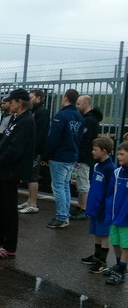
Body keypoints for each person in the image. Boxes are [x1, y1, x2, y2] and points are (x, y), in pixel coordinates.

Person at [0, 88, 36, 259]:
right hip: (4, 172)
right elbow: (4, 140)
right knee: (0, 208)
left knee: (8, 211)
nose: (9, 104)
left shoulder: (26, 121)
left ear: (20, 102)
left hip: (11, 172)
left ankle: (10, 247)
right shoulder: (15, 119)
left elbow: (14, 151)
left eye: (11, 101)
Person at [46, 89, 84, 228]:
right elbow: (80, 137)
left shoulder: (61, 115)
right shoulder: (79, 116)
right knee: (65, 186)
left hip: (60, 156)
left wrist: (49, 153)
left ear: (65, 98)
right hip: (72, 155)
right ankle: (64, 215)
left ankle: (61, 216)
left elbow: (54, 137)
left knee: (59, 187)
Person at [78, 137, 115, 273]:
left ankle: (103, 262)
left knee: (104, 235)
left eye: (95, 150)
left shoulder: (110, 169)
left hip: (104, 209)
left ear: (104, 151)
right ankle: (96, 256)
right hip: (95, 206)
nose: (92, 152)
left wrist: (105, 207)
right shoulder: (97, 165)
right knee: (97, 234)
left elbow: (110, 191)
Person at [70, 95, 103, 220]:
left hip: (84, 157)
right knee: (80, 182)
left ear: (86, 104)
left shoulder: (90, 120)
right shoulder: (86, 118)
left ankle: (84, 209)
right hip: (82, 156)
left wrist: (80, 156)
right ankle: (80, 206)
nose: (77, 106)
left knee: (83, 183)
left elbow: (85, 141)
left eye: (79, 104)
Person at [18, 90, 51, 214]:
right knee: (29, 175)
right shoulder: (34, 111)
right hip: (32, 149)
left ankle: (33, 203)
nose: (29, 99)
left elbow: (41, 133)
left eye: (31, 97)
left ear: (38, 98)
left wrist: (33, 148)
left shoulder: (42, 112)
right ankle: (29, 200)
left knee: (33, 176)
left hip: (35, 150)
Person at [103, 140, 128, 285]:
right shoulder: (117, 172)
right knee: (116, 242)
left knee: (126, 246)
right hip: (115, 216)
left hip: (126, 219)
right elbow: (110, 194)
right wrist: (109, 213)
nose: (118, 157)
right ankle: (120, 265)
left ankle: (121, 271)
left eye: (122, 154)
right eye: (118, 154)